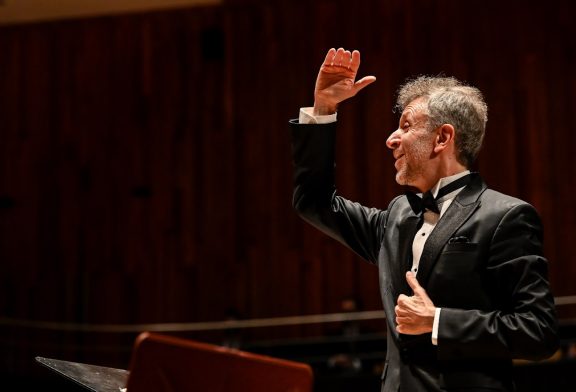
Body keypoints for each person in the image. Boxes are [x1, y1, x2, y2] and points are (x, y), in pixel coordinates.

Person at [289, 47, 559, 391]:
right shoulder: (397, 218)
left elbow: (539, 331)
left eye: (405, 125)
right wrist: (324, 109)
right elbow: (313, 202)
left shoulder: (505, 217)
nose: (390, 139)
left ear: (443, 138)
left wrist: (438, 322)